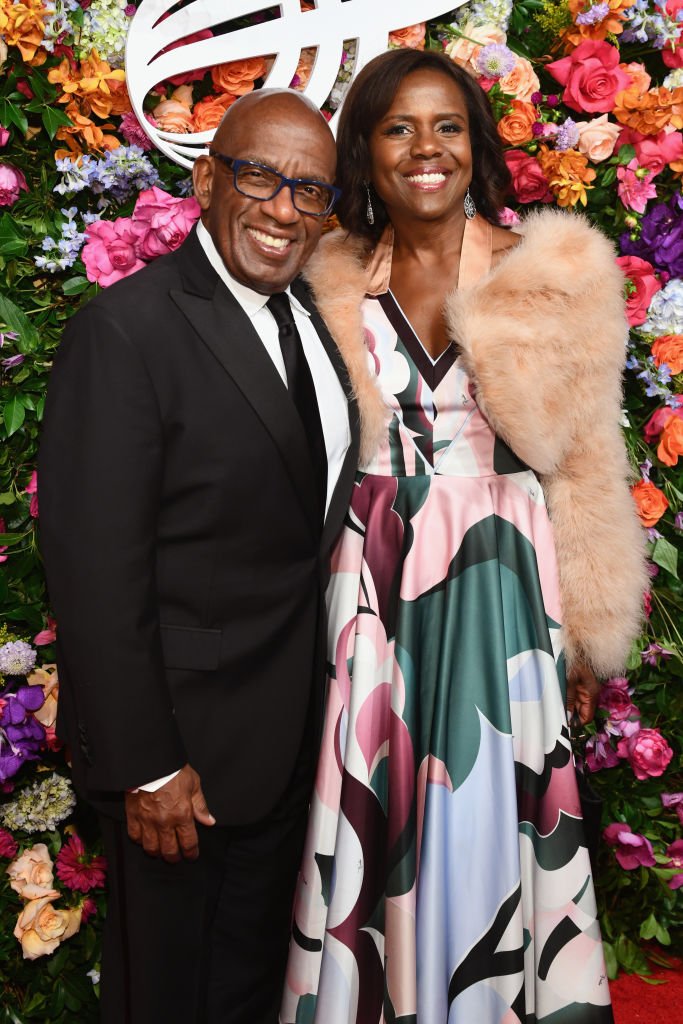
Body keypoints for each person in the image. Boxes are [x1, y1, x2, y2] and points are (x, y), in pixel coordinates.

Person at [281, 49, 646, 1023]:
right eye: (398, 127)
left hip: (503, 595)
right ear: (364, 150)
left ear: (476, 145)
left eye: (445, 125)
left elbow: (585, 470)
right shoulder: (322, 281)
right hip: (373, 595)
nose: (424, 148)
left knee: (490, 812)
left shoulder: (552, 274)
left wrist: (588, 631)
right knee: (381, 809)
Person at [38, 89, 369, 1024]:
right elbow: (96, 566)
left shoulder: (317, 324)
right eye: (260, 176)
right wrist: (146, 765)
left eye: (311, 191)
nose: (282, 209)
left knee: (248, 995)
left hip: (293, 745)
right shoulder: (127, 330)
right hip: (181, 761)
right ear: (205, 178)